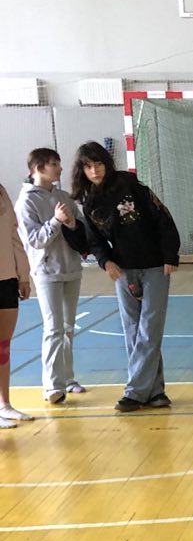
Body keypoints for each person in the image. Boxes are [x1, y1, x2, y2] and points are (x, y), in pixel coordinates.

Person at [73, 143, 180, 413]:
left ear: (107, 163)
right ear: (82, 170)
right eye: (88, 166)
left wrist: (170, 254)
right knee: (133, 330)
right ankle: (155, 391)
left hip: (155, 266)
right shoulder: (90, 203)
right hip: (123, 270)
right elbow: (94, 241)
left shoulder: (130, 185)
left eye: (98, 164)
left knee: (150, 329)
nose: (94, 170)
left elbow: (163, 217)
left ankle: (134, 392)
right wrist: (105, 261)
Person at [15, 148, 89, 404]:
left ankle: (68, 379)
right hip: (47, 272)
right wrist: (56, 221)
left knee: (68, 328)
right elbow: (35, 240)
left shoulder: (63, 196)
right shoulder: (26, 202)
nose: (59, 168)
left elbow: (80, 227)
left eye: (58, 163)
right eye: (53, 164)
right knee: (53, 328)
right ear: (38, 168)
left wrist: (71, 223)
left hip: (71, 269)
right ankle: (51, 386)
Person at [0, 179, 33, 428]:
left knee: (2, 346)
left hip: (6, 278)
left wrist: (23, 275)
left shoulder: (1, 191)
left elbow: (13, 235)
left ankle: (5, 405)